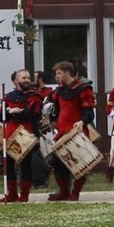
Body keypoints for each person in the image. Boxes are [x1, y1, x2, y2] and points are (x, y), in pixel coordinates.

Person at [46, 62, 96, 202]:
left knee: (79, 163)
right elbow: (56, 111)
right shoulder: (58, 91)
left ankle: (75, 192)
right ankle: (63, 192)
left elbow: (89, 113)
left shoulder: (83, 88)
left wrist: (81, 122)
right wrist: (53, 120)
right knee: (58, 162)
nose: (56, 76)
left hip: (76, 131)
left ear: (67, 73)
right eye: (56, 74)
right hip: (62, 131)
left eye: (59, 73)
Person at [0, 69, 42, 203]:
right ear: (16, 80)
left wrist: (18, 112)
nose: (27, 80)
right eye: (24, 78)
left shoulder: (34, 95)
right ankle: (11, 194)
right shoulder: (8, 96)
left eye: (28, 78)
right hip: (10, 133)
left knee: (25, 165)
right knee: (9, 164)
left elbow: (32, 114)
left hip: (26, 133)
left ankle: (24, 195)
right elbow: (0, 116)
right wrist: (9, 111)